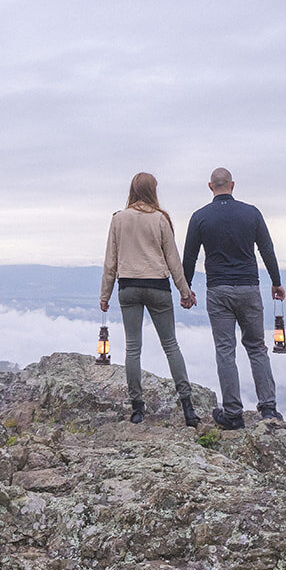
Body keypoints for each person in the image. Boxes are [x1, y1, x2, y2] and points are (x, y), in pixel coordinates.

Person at [182, 167, 285, 429]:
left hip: (218, 290)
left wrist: (187, 289)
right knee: (256, 347)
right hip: (249, 287)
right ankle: (269, 409)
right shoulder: (252, 213)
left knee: (225, 350)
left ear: (210, 186)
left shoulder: (200, 217)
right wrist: (276, 282)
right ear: (233, 185)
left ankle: (233, 414)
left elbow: (190, 256)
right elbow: (267, 249)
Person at [100, 172, 201, 427]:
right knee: (171, 346)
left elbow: (110, 261)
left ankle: (137, 409)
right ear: (153, 190)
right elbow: (173, 260)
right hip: (158, 287)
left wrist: (105, 295)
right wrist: (185, 292)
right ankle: (188, 408)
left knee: (133, 348)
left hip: (128, 287)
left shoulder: (118, 219)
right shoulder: (160, 219)